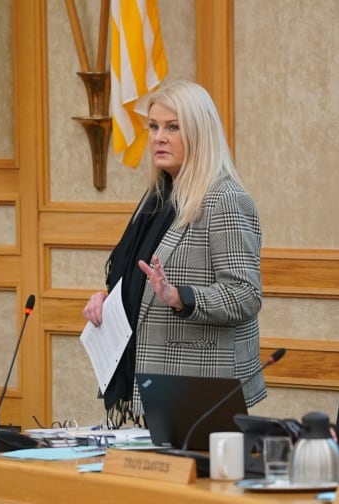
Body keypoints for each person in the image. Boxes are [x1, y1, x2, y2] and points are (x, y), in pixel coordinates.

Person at [82, 80, 265, 426]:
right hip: (147, 380)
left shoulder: (223, 199)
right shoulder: (157, 198)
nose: (158, 137)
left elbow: (246, 294)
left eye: (173, 127)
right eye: (153, 126)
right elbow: (139, 279)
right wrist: (106, 299)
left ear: (199, 133)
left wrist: (181, 297)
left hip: (197, 384)